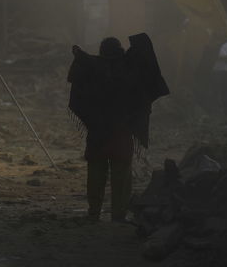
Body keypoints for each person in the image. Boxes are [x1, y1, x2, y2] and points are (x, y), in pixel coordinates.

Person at [68, 34, 168, 222]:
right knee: (122, 174)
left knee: (96, 173)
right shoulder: (129, 69)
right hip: (121, 131)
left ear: (101, 52)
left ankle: (94, 212)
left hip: (97, 132)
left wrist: (79, 54)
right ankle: (119, 214)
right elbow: (143, 57)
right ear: (120, 50)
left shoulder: (91, 67)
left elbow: (81, 79)